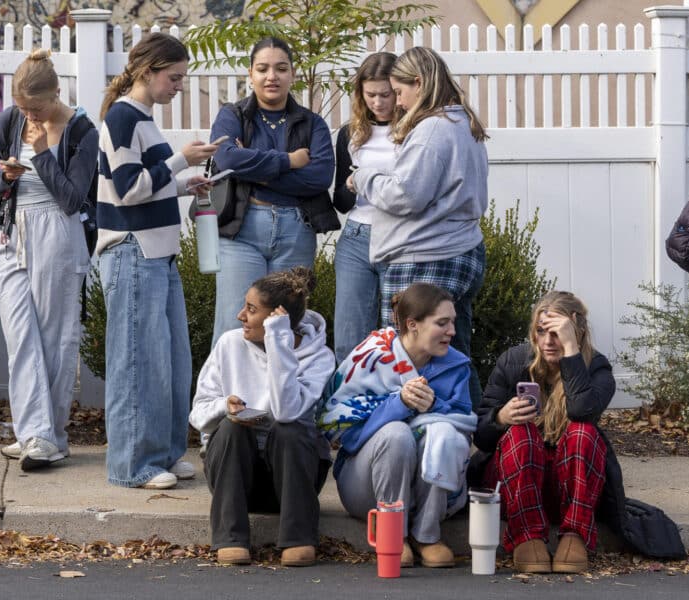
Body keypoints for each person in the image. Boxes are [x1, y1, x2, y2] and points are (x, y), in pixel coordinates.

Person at [96, 32, 219, 489]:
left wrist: (188, 182)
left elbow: (143, 184)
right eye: (175, 77)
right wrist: (179, 162)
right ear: (148, 72)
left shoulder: (142, 119)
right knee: (136, 362)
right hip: (133, 251)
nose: (179, 86)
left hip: (157, 255)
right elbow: (129, 190)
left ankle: (165, 454)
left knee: (169, 360)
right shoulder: (123, 118)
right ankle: (132, 466)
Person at [0, 49, 98, 471]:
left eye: (37, 108)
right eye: (23, 107)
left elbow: (72, 199)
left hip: (58, 234)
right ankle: (35, 435)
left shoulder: (82, 130)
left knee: (55, 340)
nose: (29, 115)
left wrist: (43, 154)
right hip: (12, 231)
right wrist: (4, 176)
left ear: (57, 93)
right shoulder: (10, 120)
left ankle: (50, 436)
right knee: (19, 337)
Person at [347, 46, 488, 407]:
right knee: (453, 354)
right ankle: (472, 437)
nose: (396, 101)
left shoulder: (431, 129)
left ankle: (418, 440)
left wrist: (365, 178)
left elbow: (406, 196)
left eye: (399, 90)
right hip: (459, 249)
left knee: (409, 357)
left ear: (420, 84)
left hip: (424, 257)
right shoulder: (462, 122)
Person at [317, 283, 476, 568]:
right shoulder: (370, 357)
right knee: (396, 434)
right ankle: (393, 535)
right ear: (413, 324)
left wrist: (434, 407)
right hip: (365, 486)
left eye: (453, 321)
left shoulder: (457, 365)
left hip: (430, 489)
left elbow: (465, 422)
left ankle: (427, 535)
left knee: (443, 432)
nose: (452, 331)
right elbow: (345, 436)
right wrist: (399, 403)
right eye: (442, 323)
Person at [190, 268, 335, 567]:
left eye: (252, 309)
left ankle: (299, 539)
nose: (240, 315)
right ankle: (231, 538)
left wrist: (278, 343)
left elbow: (285, 410)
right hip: (235, 481)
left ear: (276, 320)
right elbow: (198, 414)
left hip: (294, 481)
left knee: (289, 428)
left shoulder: (319, 357)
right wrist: (224, 408)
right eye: (245, 306)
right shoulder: (230, 344)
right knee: (231, 429)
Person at [471, 291, 615, 574]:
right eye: (541, 331)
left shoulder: (596, 367)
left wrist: (571, 352)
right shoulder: (513, 362)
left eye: (557, 333)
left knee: (583, 431)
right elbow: (482, 437)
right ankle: (527, 537)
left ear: (577, 331)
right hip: (518, 485)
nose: (548, 342)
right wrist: (501, 417)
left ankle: (575, 536)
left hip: (570, 487)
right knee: (519, 433)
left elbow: (583, 411)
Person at [208, 36, 336, 345]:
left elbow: (319, 177)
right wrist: (289, 161)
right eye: (263, 69)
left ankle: (282, 394)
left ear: (292, 74)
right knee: (234, 324)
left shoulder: (312, 123)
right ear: (250, 74)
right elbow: (225, 158)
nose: (271, 76)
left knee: (287, 325)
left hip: (296, 231)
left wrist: (254, 171)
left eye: (281, 68)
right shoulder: (232, 115)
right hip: (242, 232)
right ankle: (228, 395)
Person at [331, 52, 397, 363]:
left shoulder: (415, 132)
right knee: (349, 338)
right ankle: (346, 408)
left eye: (386, 94)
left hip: (399, 236)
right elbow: (341, 203)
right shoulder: (350, 133)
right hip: (356, 235)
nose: (378, 102)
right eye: (370, 94)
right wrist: (349, 184)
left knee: (396, 337)